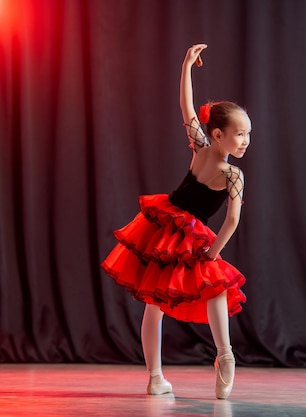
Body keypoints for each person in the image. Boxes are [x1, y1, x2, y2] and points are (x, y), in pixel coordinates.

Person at [101, 43, 251, 400]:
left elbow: (186, 108)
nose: (246, 141)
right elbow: (231, 221)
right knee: (214, 286)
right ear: (219, 135)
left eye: (248, 134)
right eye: (240, 134)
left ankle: (155, 377)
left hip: (161, 226)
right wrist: (214, 252)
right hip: (186, 231)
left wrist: (186, 66)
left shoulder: (200, 149)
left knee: (155, 305)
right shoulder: (232, 174)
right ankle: (225, 354)